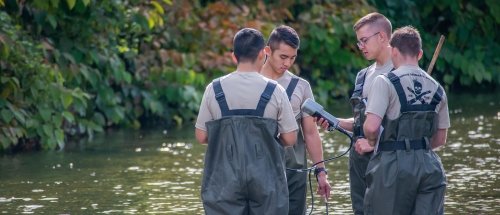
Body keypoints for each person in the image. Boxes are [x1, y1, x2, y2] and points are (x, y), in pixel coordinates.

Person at [195, 28, 298, 215]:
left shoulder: (213, 89)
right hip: (266, 177)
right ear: (262, 54)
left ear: (234, 56)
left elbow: (201, 136)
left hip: (223, 178)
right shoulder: (275, 90)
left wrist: (228, 139)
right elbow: (290, 139)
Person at [355, 26, 449, 214]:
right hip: (430, 167)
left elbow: (371, 127)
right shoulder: (437, 88)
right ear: (420, 54)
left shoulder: (384, 81)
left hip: (393, 167)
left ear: (394, 51)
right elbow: (440, 139)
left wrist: (372, 143)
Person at [317, 12, 393, 215]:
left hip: (388, 160)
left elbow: (404, 123)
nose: (361, 47)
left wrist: (374, 142)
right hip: (358, 161)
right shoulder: (363, 76)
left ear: (382, 37)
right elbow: (363, 121)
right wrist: (335, 121)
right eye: (359, 42)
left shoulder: (399, 72)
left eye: (364, 41)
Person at [260, 25, 331, 215]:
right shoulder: (251, 81)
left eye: (292, 58)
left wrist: (321, 173)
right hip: (258, 170)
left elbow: (310, 133)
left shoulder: (301, 87)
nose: (288, 63)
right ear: (267, 51)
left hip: (295, 172)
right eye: (283, 57)